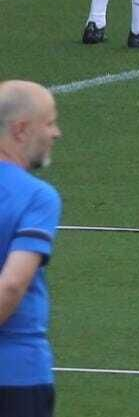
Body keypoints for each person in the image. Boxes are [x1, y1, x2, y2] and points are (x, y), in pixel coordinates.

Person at [0, 80, 63, 417]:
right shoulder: (37, 197)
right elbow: (11, 285)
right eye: (49, 122)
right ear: (21, 130)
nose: (56, 133)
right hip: (17, 377)